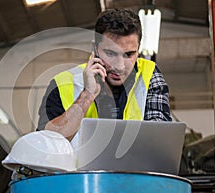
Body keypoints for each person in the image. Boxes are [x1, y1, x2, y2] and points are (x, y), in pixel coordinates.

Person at [37, 8, 172, 147]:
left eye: (129, 54)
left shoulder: (149, 75)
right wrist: (87, 96)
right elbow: (47, 145)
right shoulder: (62, 83)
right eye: (110, 53)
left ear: (138, 49)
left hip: (132, 168)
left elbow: (159, 141)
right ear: (95, 49)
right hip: (78, 169)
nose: (119, 66)